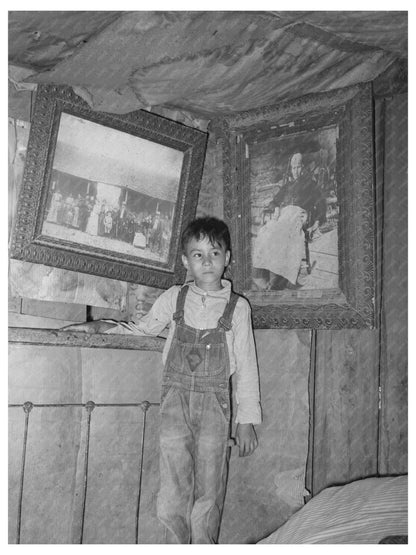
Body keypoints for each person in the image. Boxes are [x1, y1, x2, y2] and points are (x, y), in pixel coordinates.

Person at [61, 216, 261, 544]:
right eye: (198, 254)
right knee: (172, 489)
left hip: (215, 408)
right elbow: (142, 329)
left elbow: (247, 367)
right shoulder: (174, 298)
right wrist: (101, 327)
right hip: (175, 405)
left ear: (228, 258)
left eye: (214, 253)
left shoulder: (238, 308)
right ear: (186, 260)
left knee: (209, 489)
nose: (207, 261)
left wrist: (247, 420)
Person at [253, 152, 326, 290]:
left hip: (299, 216)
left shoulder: (311, 184)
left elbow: (321, 204)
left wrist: (314, 222)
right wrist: (275, 209)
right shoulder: (287, 185)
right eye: (293, 167)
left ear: (303, 167)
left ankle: (277, 281)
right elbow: (274, 201)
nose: (296, 171)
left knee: (282, 235)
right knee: (265, 232)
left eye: (298, 167)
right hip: (284, 215)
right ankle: (265, 275)